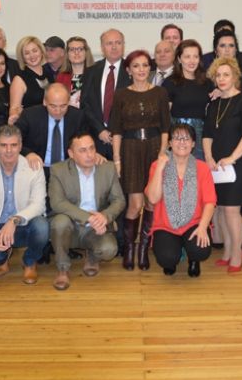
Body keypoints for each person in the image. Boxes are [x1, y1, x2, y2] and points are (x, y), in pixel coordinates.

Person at [110, 49, 171, 270]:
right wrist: (117, 159)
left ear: (150, 68)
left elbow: (165, 127)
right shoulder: (121, 95)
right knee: (135, 204)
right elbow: (116, 130)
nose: (141, 70)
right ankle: (129, 249)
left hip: (154, 149)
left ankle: (144, 249)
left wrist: (162, 153)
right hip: (130, 149)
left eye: (145, 65)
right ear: (128, 70)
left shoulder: (160, 93)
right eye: (136, 66)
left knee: (152, 201)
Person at [48, 131, 125, 290]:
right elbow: (57, 203)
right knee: (60, 222)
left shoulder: (108, 168)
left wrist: (105, 216)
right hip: (70, 226)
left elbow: (119, 200)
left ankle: (92, 256)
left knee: (109, 250)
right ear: (71, 154)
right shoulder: (58, 170)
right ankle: (63, 268)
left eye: (92, 148)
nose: (89, 155)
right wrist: (88, 217)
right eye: (82, 150)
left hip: (96, 228)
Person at [0, 125, 49, 284]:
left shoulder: (34, 168)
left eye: (14, 145)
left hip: (23, 224)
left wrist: (14, 220)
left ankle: (30, 262)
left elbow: (39, 205)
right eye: (4, 145)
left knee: (42, 226)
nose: (9, 150)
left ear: (20, 146)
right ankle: (3, 257)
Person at [203, 57, 242, 272]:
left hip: (237, 164)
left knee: (232, 210)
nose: (222, 79)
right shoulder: (214, 104)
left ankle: (236, 254)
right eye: (218, 75)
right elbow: (207, 135)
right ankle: (227, 250)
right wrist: (209, 158)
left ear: (235, 77)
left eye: (226, 74)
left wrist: (232, 158)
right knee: (222, 208)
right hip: (217, 166)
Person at [145, 123, 216, 277]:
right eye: (177, 138)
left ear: (193, 144)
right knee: (167, 258)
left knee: (201, 250)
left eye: (186, 138)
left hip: (194, 223)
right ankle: (172, 260)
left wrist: (203, 227)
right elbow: (153, 198)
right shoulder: (157, 165)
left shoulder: (202, 168)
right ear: (170, 143)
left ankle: (193, 259)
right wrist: (160, 168)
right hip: (165, 225)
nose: (182, 142)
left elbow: (210, 202)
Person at [15, 83, 89, 183]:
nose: (58, 111)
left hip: (67, 170)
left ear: (69, 102)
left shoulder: (77, 117)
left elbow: (84, 142)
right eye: (53, 106)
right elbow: (14, 140)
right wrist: (28, 153)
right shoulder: (30, 115)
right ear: (44, 102)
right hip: (37, 168)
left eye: (63, 106)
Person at [80, 28, 131, 159]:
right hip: (96, 140)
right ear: (102, 47)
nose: (114, 47)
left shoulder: (132, 71)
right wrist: (100, 130)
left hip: (124, 140)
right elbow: (84, 104)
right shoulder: (91, 71)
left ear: (123, 45)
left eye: (118, 43)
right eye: (109, 43)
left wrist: (116, 132)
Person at [163, 39, 214, 161]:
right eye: (187, 57)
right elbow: (164, 117)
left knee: (198, 170)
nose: (192, 61)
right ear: (179, 59)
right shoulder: (170, 83)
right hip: (177, 137)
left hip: (201, 138)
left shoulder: (207, 83)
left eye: (195, 56)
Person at [8, 36, 50, 123]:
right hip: (31, 125)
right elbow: (14, 108)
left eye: (35, 51)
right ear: (22, 57)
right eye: (27, 53)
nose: (32, 56)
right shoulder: (19, 79)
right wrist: (14, 115)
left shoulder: (49, 73)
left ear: (41, 51)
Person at [54, 36, 94, 108]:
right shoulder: (61, 77)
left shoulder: (95, 75)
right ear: (67, 54)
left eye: (80, 49)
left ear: (86, 53)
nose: (76, 53)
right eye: (72, 50)